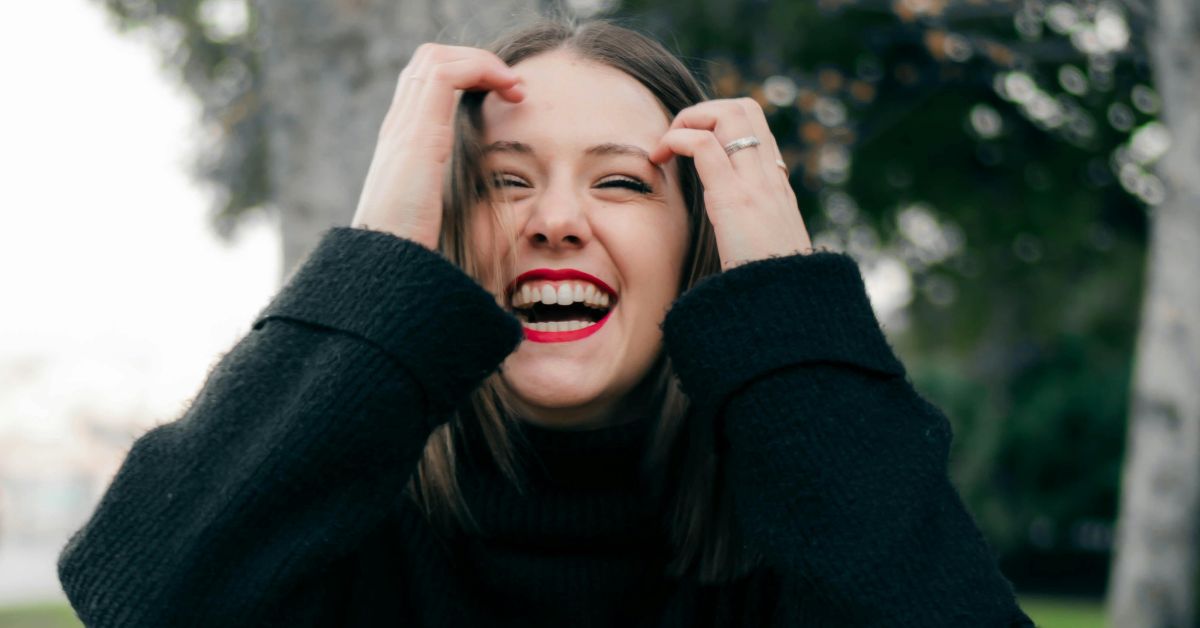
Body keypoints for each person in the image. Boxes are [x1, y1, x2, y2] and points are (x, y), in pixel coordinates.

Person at [57, 18, 1034, 627]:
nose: (557, 220)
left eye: (619, 181)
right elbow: (142, 598)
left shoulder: (806, 534)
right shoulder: (334, 528)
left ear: (699, 245)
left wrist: (785, 293)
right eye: (501, 182)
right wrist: (381, 244)